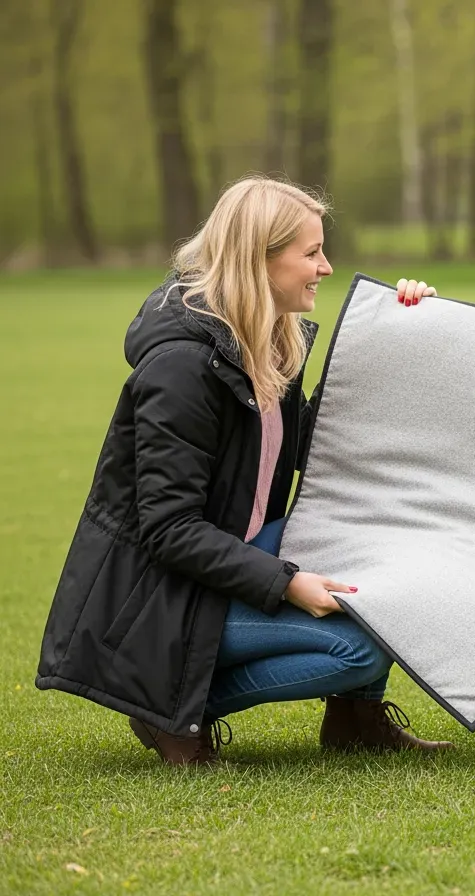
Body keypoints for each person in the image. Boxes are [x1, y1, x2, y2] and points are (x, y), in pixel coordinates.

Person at [35, 175, 450, 765]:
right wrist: (287, 582)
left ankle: (355, 722)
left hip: (233, 557)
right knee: (360, 648)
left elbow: (331, 452)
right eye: (311, 253)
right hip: (165, 598)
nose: (326, 267)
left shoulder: (267, 343)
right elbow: (169, 528)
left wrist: (407, 332)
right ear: (259, 260)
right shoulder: (180, 368)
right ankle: (170, 709)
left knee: (380, 560)